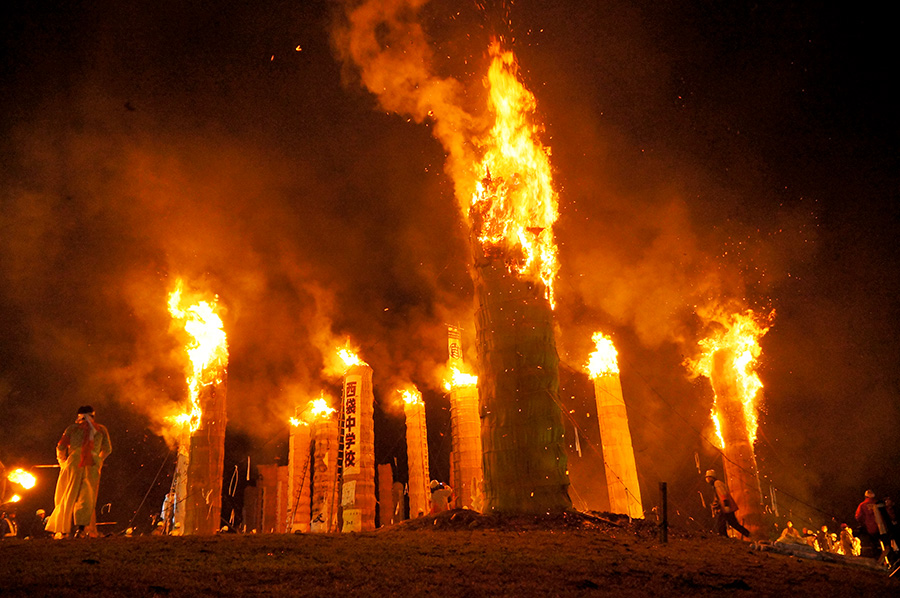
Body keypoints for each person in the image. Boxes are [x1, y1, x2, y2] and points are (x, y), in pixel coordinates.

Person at [46, 406, 112, 538]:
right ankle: (81, 530)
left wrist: (63, 462)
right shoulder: (101, 429)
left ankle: (63, 529)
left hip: (74, 462)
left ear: (79, 416)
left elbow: (61, 447)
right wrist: (98, 459)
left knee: (67, 494)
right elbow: (108, 449)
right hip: (92, 463)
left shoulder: (72, 429)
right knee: (87, 497)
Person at [704, 469, 750, 538]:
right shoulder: (716, 484)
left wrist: (726, 505)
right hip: (726, 507)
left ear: (712, 477)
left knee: (721, 523)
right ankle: (748, 534)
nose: (707, 479)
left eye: (708, 477)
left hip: (725, 507)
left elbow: (723, 494)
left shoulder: (717, 483)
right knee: (733, 523)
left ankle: (724, 537)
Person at [855, 489, 882, 557]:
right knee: (885, 544)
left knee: (873, 545)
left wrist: (864, 522)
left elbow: (858, 516)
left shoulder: (862, 505)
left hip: (870, 528)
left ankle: (876, 558)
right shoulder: (879, 503)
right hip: (882, 528)